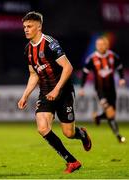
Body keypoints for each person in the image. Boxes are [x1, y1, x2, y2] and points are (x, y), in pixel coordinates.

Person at [17, 11, 92, 173]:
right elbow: (33, 74)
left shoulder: (50, 44)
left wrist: (57, 89)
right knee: (42, 128)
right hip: (45, 93)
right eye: (24, 27)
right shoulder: (28, 49)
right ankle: (72, 161)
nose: (26, 29)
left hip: (63, 91)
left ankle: (82, 134)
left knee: (69, 133)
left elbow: (68, 67)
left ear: (39, 26)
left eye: (29, 26)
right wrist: (25, 95)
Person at [79, 36, 126, 143]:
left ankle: (98, 117)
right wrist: (82, 87)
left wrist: (122, 78)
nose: (100, 46)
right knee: (109, 111)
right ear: (96, 46)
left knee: (111, 114)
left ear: (107, 45)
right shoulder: (91, 59)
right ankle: (119, 136)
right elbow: (85, 74)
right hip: (100, 90)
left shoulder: (112, 56)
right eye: (98, 45)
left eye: (102, 44)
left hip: (112, 89)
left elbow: (120, 68)